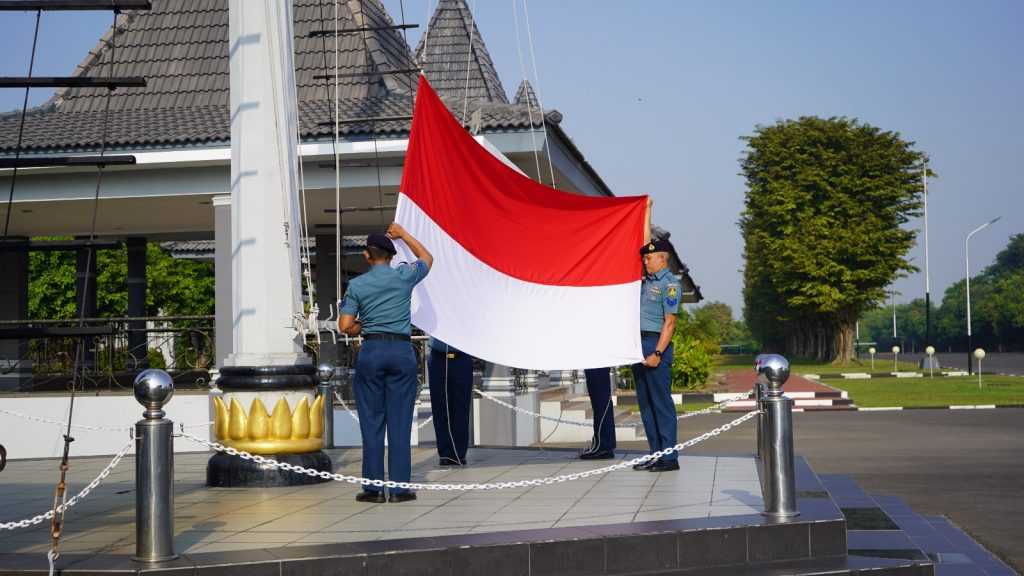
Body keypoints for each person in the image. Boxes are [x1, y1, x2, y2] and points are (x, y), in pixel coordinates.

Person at [338, 223, 432, 503]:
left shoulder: (357, 285)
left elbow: (345, 325)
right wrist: (403, 234)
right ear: (391, 256)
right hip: (401, 351)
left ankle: (374, 488)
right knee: (400, 423)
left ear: (367, 255)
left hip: (372, 350)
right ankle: (400, 489)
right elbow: (427, 258)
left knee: (372, 422)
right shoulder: (404, 276)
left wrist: (365, 325)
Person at [631, 239, 681, 472]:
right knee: (646, 404)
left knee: (661, 404)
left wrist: (658, 353)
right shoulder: (644, 282)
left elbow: (669, 323)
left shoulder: (670, 284)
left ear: (662, 258)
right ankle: (655, 454)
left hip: (655, 343)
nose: (645, 261)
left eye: (649, 258)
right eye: (644, 258)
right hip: (639, 344)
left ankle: (669, 457)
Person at [427, 337, 474, 466]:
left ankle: (459, 453)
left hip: (461, 358)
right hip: (438, 358)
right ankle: (444, 453)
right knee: (439, 406)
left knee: (461, 408)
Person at [579, 367, 616, 459]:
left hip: (598, 365)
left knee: (600, 401)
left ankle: (603, 446)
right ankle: (603, 445)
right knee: (599, 401)